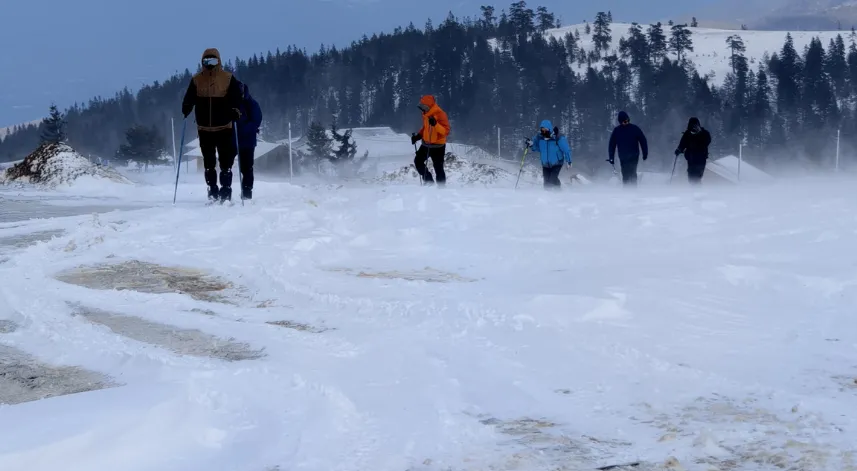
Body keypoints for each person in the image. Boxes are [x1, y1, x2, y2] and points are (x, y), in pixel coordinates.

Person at [182, 48, 243, 202]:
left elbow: (236, 97)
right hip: (204, 128)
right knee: (208, 162)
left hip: (224, 126)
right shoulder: (197, 80)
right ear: (202, 62)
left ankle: (226, 189)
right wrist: (187, 106)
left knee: (225, 161)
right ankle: (212, 189)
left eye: (213, 61)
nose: (210, 64)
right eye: (206, 61)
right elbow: (189, 97)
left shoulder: (228, 78)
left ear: (219, 61)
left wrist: (236, 110)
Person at [410, 95, 450, 186]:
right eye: (421, 107)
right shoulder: (425, 114)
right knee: (418, 162)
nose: (422, 109)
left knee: (438, 168)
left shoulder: (440, 114)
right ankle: (429, 182)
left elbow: (445, 131)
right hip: (426, 144)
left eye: (424, 107)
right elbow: (425, 128)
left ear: (429, 106)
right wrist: (418, 136)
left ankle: (441, 187)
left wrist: (435, 124)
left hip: (438, 146)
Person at [525, 120, 572, 189]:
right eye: (542, 130)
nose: (544, 132)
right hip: (545, 164)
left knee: (552, 180)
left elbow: (566, 150)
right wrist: (531, 144)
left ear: (549, 129)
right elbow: (538, 148)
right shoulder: (539, 138)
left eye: (545, 130)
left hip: (557, 163)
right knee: (546, 183)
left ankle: (558, 191)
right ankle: (548, 197)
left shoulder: (558, 138)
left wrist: (569, 161)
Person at [235, 82, 263, 199]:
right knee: (227, 167)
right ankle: (225, 192)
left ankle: (247, 192)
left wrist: (242, 130)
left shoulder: (250, 103)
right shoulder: (229, 102)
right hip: (231, 140)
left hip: (247, 141)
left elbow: (256, 120)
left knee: (246, 168)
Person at [608, 111, 648, 186]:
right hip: (623, 157)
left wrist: (645, 152)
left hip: (634, 155)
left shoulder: (634, 129)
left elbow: (643, 140)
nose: (626, 122)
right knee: (625, 174)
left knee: (632, 173)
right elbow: (612, 145)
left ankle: (633, 190)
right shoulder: (617, 131)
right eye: (624, 121)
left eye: (627, 120)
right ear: (620, 122)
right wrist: (611, 157)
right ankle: (626, 192)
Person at [674, 117, 711, 185]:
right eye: (691, 125)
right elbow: (682, 143)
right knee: (691, 176)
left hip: (700, 159)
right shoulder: (687, 133)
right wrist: (679, 150)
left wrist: (699, 134)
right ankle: (694, 190)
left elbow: (707, 141)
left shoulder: (704, 133)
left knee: (697, 176)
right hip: (691, 158)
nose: (693, 127)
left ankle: (696, 190)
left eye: (695, 125)